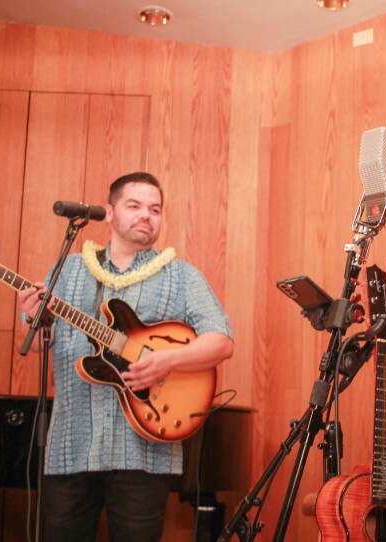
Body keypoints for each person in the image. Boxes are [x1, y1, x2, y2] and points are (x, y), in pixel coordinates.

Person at [17, 172, 234, 542]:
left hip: (146, 452)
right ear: (110, 212)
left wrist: (166, 362)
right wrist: (27, 313)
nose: (145, 215)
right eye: (134, 206)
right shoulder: (68, 271)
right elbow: (36, 345)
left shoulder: (181, 276)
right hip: (71, 446)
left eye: (155, 209)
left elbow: (222, 341)